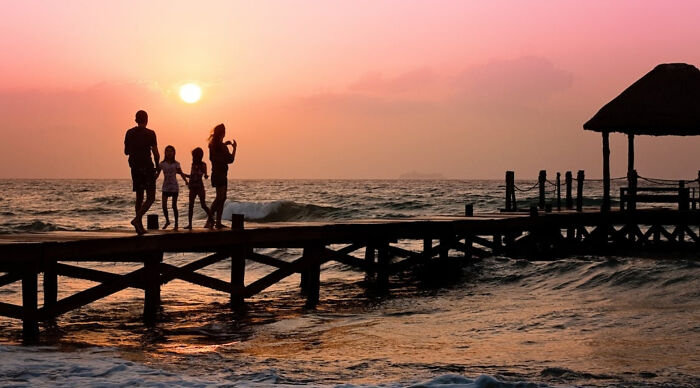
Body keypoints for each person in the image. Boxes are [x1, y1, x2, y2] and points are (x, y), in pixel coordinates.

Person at [124, 110, 159, 235]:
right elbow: (155, 153)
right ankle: (137, 219)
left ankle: (139, 226)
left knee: (139, 197)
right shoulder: (150, 133)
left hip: (135, 167)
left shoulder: (129, 133)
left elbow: (126, 152)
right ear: (147, 120)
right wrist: (158, 167)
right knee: (151, 197)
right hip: (147, 167)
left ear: (135, 120)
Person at [208, 124, 237, 229]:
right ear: (223, 133)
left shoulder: (212, 145)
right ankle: (210, 221)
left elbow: (216, 156)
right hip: (221, 175)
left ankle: (216, 222)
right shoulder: (222, 147)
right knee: (220, 198)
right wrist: (234, 148)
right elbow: (231, 160)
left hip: (215, 174)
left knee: (221, 198)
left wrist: (225, 144)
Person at [156, 145, 188, 230]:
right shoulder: (162, 164)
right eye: (167, 151)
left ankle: (176, 224)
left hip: (174, 187)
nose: (169, 153)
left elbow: (181, 173)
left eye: (171, 151)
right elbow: (157, 175)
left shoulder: (176, 164)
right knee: (164, 205)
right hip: (165, 187)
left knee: (174, 206)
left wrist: (186, 181)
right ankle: (167, 221)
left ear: (174, 153)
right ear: (165, 153)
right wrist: (151, 180)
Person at [184, 147, 213, 229]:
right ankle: (190, 224)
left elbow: (204, 175)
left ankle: (211, 219)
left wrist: (206, 175)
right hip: (192, 187)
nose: (193, 158)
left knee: (203, 205)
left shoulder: (203, 165)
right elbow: (192, 176)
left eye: (194, 156)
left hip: (199, 186)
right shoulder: (193, 164)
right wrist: (181, 173)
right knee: (191, 205)